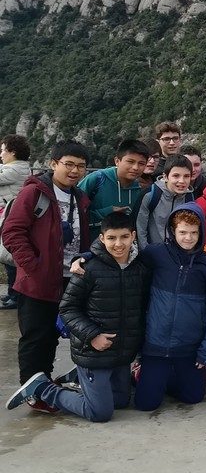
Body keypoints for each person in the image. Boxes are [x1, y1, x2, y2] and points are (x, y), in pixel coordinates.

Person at [6, 214, 148, 421]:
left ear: (133, 236)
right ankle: (43, 388)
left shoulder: (139, 268)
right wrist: (92, 336)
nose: (118, 244)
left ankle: (81, 379)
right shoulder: (87, 269)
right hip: (93, 351)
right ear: (102, 238)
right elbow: (67, 309)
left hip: (121, 354)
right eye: (111, 238)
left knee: (120, 401)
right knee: (100, 413)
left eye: (124, 237)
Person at [1, 142, 91, 410]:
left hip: (70, 277)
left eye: (81, 166)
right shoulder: (34, 193)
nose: (74, 171)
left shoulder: (79, 196)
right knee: (36, 336)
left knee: (53, 335)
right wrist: (33, 266)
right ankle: (33, 391)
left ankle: (46, 384)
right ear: (53, 164)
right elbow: (12, 232)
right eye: (68, 164)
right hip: (38, 279)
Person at [133, 206, 206, 411]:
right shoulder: (156, 253)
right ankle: (144, 374)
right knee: (146, 404)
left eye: (194, 232)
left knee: (193, 397)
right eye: (183, 232)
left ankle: (167, 378)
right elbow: (122, 254)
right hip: (156, 344)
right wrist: (87, 256)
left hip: (189, 347)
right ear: (172, 230)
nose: (188, 238)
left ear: (201, 232)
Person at [76, 139, 148, 239]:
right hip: (90, 243)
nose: (135, 167)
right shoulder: (97, 179)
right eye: (130, 162)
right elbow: (74, 211)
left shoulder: (141, 188)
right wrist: (107, 212)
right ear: (117, 161)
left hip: (122, 246)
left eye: (141, 163)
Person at [136, 155, 196, 250]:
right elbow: (140, 228)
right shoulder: (151, 195)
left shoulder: (189, 198)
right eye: (176, 176)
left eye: (186, 176)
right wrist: (146, 252)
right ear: (166, 177)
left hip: (178, 253)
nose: (181, 181)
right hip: (153, 252)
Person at [0, 134, 31, 309]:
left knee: (10, 258)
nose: (1, 154)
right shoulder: (17, 167)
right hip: (9, 216)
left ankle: (16, 295)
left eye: (3, 150)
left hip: (11, 217)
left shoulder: (15, 170)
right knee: (9, 258)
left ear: (12, 152)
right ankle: (13, 292)